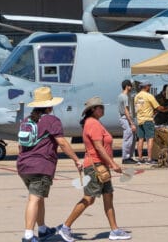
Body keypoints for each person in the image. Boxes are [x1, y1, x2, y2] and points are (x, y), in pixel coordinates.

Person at [56, 97, 131, 241]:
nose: (103, 109)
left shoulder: (95, 123)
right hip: (95, 167)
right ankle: (65, 227)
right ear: (93, 110)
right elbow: (98, 146)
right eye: (100, 107)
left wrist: (109, 164)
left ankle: (114, 230)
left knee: (108, 196)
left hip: (101, 166)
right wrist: (113, 164)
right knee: (89, 199)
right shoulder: (93, 124)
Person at [17, 87, 82, 242]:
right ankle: (28, 235)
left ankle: (42, 229)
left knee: (38, 198)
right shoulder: (52, 120)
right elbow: (62, 143)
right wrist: (76, 159)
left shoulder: (26, 120)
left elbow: (21, 145)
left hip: (24, 165)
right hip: (41, 166)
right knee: (34, 198)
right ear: (49, 106)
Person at [134, 80, 168, 164]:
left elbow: (137, 109)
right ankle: (149, 158)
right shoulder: (149, 96)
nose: (150, 87)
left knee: (140, 139)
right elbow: (158, 107)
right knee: (150, 139)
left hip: (140, 120)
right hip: (148, 120)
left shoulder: (137, 96)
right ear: (146, 86)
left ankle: (140, 158)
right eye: (149, 86)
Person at [117, 80, 136, 165]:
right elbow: (126, 111)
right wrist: (131, 123)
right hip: (125, 119)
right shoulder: (125, 97)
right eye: (130, 86)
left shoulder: (121, 96)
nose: (131, 88)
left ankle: (129, 157)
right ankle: (125, 157)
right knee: (128, 138)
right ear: (127, 86)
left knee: (131, 137)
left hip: (125, 118)